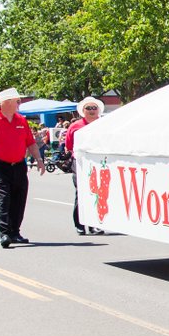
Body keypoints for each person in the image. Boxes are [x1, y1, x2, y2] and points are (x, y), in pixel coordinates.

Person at [0, 88, 44, 248]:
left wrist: (39, 159)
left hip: (19, 165)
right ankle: (5, 233)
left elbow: (30, 143)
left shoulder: (21, 120)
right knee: (5, 198)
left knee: (19, 199)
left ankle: (15, 232)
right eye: (17, 101)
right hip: (0, 166)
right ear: (6, 102)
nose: (20, 103)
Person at [63, 97, 104, 235]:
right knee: (81, 193)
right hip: (80, 162)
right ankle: (80, 224)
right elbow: (69, 145)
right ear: (83, 111)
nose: (92, 111)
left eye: (94, 108)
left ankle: (94, 224)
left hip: (98, 162)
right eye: (88, 108)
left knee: (97, 194)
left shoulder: (103, 124)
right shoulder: (75, 126)